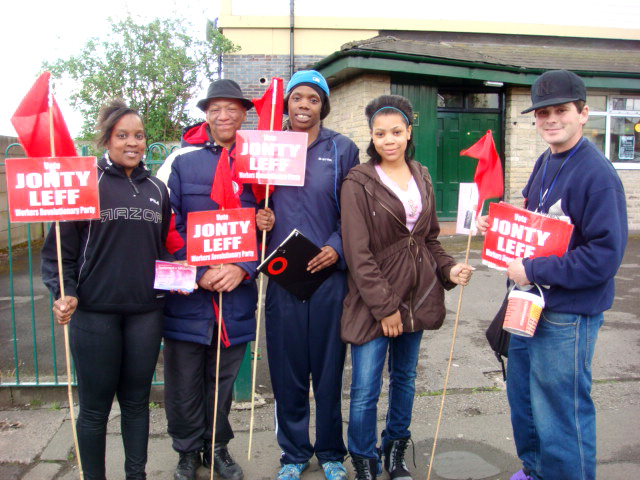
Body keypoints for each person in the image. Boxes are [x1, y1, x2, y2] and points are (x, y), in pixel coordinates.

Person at [477, 70, 628, 480]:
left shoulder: (598, 176)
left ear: (584, 113)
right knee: (524, 397)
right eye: (542, 112)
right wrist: (501, 229)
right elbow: (537, 222)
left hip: (566, 314)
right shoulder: (547, 160)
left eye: (561, 110)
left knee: (560, 408)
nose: (550, 119)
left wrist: (533, 269)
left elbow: (604, 259)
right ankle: (537, 470)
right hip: (527, 305)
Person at [339, 95, 473, 480]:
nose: (389, 140)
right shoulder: (358, 183)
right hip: (374, 303)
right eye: (380, 133)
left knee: (405, 380)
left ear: (409, 131)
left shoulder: (423, 176)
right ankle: (364, 459)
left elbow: (429, 238)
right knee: (365, 387)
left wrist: (449, 271)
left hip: (417, 298)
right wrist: (385, 307)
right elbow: (358, 253)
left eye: (396, 131)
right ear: (372, 137)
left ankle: (395, 450)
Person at [41, 99, 172, 480]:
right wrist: (61, 292)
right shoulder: (85, 184)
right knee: (95, 409)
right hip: (95, 315)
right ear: (107, 140)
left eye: (139, 135)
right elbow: (58, 255)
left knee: (136, 404)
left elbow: (159, 247)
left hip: (146, 314)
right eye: (122, 135)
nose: (132, 142)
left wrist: (177, 273)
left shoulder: (158, 190)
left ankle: (137, 475)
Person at [256, 70, 359, 480]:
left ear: (323, 106)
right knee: (287, 370)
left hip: (329, 275)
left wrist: (335, 246)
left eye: (313, 100)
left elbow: (353, 212)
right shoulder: (268, 149)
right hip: (283, 277)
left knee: (330, 368)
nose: (304, 105)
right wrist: (257, 217)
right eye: (297, 98)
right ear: (287, 104)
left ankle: (332, 451)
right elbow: (247, 197)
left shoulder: (342, 149)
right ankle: (294, 454)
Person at [157, 79, 257, 480]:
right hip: (189, 297)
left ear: (243, 113)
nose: (224, 115)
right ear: (206, 114)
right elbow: (167, 223)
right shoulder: (182, 161)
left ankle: (216, 447)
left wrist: (242, 268)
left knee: (222, 380)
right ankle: (186, 451)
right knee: (183, 381)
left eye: (231, 108)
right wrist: (197, 273)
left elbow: (271, 222)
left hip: (236, 295)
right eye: (215, 108)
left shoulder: (259, 161)